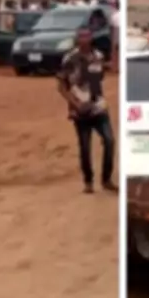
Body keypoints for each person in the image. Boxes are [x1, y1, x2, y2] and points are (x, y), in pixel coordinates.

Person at [57, 28, 116, 194]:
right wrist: (75, 104)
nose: (84, 39)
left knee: (110, 141)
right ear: (77, 39)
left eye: (87, 35)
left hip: (98, 106)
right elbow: (61, 86)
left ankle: (106, 179)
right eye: (81, 36)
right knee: (85, 146)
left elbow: (100, 79)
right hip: (80, 109)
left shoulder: (98, 56)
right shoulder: (70, 59)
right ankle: (88, 181)